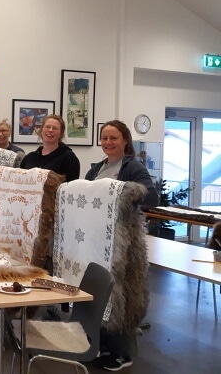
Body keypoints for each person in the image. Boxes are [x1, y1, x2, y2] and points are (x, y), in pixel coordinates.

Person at [85, 120, 158, 372]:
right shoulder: (97, 168)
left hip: (124, 245)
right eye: (104, 138)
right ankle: (101, 343)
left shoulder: (132, 166)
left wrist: (122, 191)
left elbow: (151, 196)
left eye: (113, 138)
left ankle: (123, 352)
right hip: (98, 241)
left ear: (125, 140)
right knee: (102, 294)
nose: (108, 142)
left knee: (123, 296)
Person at [20, 114, 80, 181]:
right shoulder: (29, 158)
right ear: (41, 130)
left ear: (61, 134)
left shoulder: (69, 158)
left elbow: (72, 185)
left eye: (55, 128)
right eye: (47, 127)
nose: (50, 130)